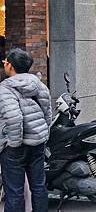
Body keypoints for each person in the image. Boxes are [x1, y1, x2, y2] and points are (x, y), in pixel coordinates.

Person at [0, 48, 52, 212]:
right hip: (37, 143)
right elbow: (47, 113)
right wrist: (43, 135)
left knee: (14, 192)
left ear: (10, 66)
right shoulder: (40, 85)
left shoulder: (5, 88)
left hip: (16, 147)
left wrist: (13, 144)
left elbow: (14, 118)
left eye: (6, 62)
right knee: (38, 186)